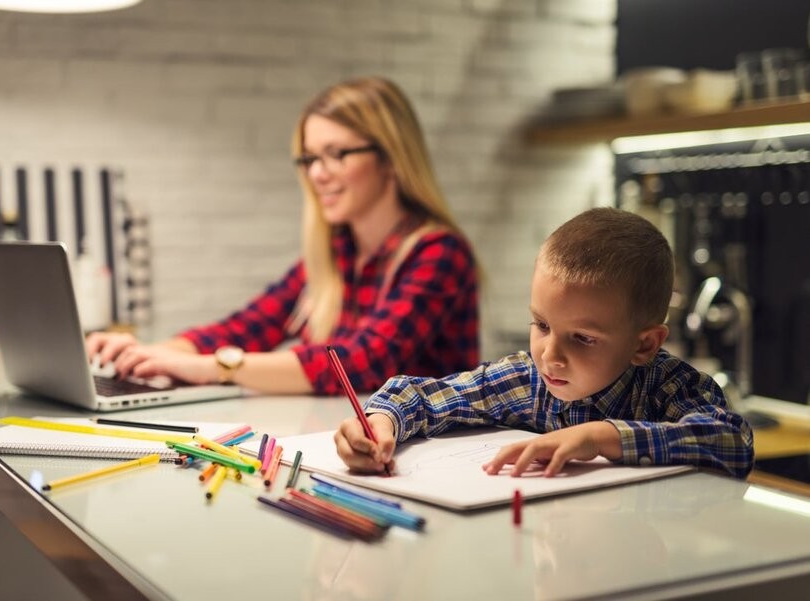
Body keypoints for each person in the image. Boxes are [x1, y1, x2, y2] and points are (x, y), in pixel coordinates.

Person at [86, 76, 479, 395]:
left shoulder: (440, 253)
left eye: (337, 154)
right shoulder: (336, 254)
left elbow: (358, 363)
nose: (317, 174)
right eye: (309, 158)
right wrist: (151, 353)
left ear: (391, 158)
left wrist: (214, 367)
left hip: (430, 457)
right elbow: (247, 327)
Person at [335, 207, 755, 479]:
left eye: (583, 338)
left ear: (644, 345)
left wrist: (599, 437)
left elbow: (733, 440)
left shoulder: (670, 387)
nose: (550, 355)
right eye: (541, 324)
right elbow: (424, 395)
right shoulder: (528, 380)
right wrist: (380, 423)